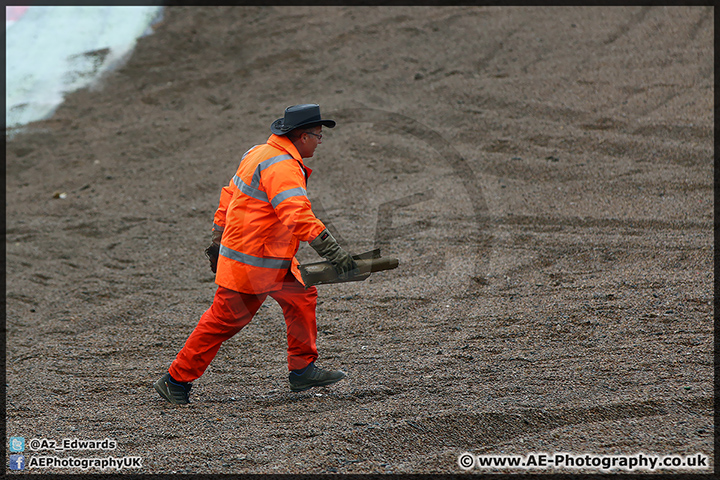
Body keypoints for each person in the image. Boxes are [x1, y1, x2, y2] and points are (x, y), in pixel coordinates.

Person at [154, 104, 358, 404]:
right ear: (302, 137)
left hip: (269, 257)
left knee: (302, 297)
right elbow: (297, 215)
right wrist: (333, 251)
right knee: (223, 321)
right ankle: (175, 380)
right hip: (254, 263)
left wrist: (217, 239)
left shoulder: (258, 153)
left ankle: (302, 370)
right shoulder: (283, 167)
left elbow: (229, 195)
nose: (319, 141)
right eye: (318, 135)